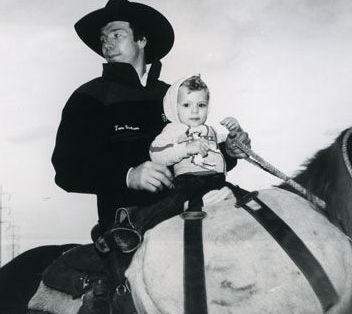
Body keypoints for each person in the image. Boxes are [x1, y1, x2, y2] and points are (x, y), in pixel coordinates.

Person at [51, 0, 251, 314]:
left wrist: (230, 151)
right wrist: (128, 175)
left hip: (194, 214)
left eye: (116, 34)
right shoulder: (88, 97)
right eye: (103, 38)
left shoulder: (174, 97)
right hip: (129, 230)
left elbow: (197, 150)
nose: (106, 43)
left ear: (142, 40)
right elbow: (66, 169)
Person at [101, 74, 247, 253]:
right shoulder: (172, 129)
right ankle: (128, 228)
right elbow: (156, 153)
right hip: (188, 182)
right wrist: (186, 149)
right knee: (169, 206)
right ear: (174, 108)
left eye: (201, 105)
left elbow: (229, 145)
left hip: (217, 181)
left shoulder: (212, 131)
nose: (195, 111)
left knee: (244, 197)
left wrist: (236, 133)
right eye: (186, 105)